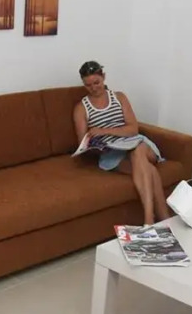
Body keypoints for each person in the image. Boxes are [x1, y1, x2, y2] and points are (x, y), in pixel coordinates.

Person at [73, 60, 170, 225]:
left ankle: (148, 219)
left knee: (138, 151)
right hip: (113, 153)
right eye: (88, 85)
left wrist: (103, 131)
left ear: (104, 77)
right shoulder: (81, 108)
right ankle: (165, 220)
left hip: (136, 142)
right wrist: (95, 145)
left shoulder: (119, 97)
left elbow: (133, 129)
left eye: (96, 82)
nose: (94, 88)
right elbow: (83, 144)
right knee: (149, 170)